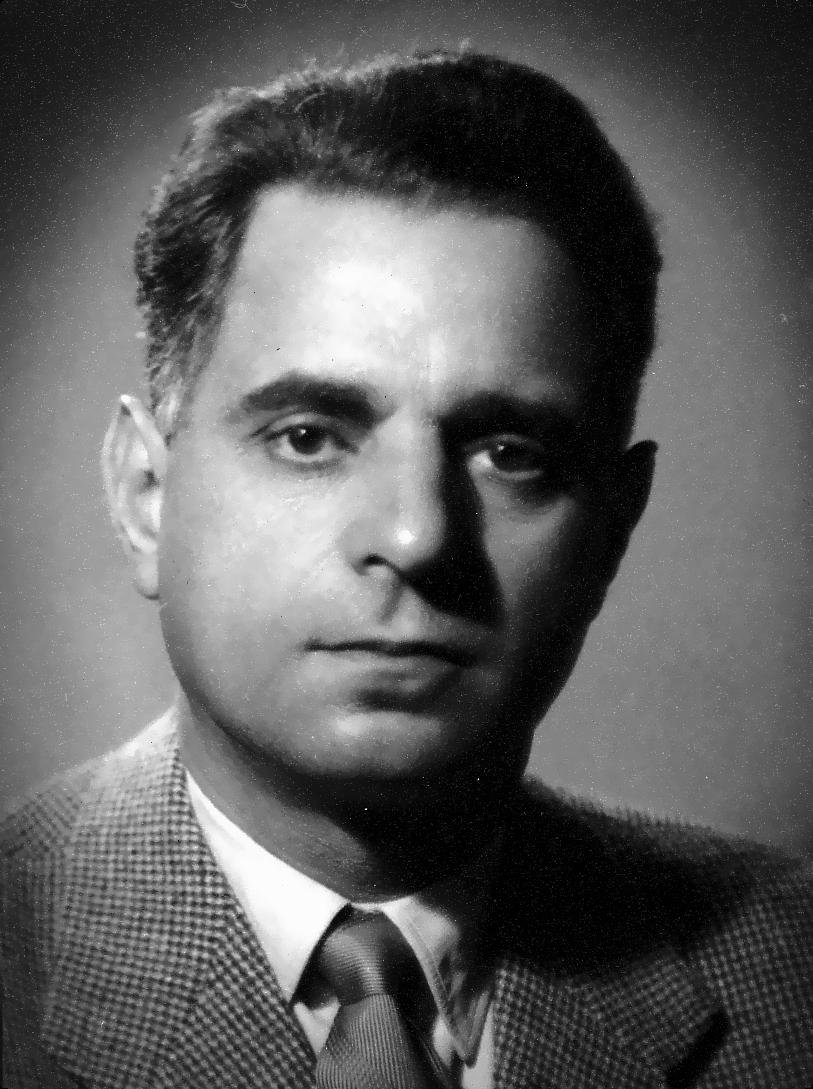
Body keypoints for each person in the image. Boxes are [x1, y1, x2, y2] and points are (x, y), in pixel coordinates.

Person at [2, 48, 812, 1089]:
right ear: (146, 496)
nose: (418, 533)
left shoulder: (790, 970)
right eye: (308, 437)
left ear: (612, 533)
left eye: (509, 453)